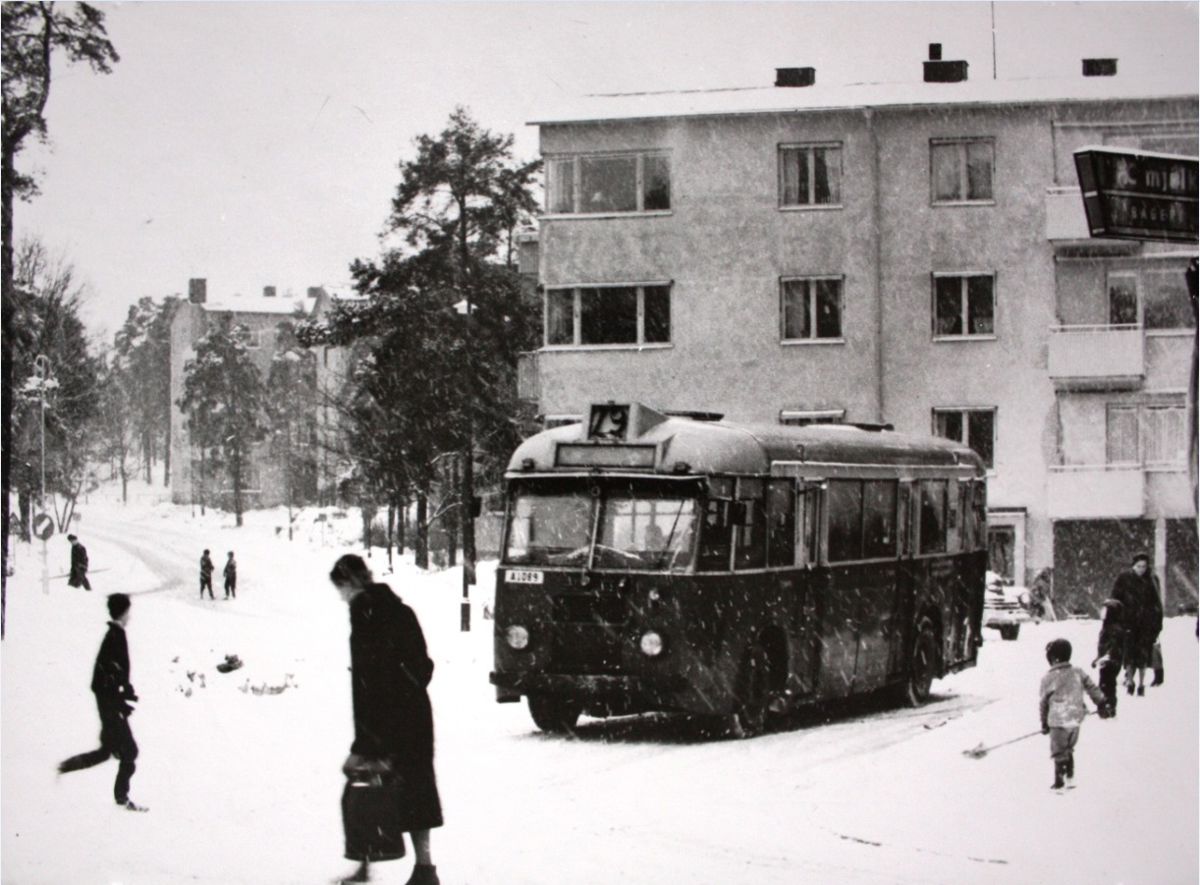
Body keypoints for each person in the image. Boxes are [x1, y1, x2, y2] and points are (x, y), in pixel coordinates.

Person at [330, 554, 442, 885]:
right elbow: (423, 667)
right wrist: (406, 688)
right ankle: (422, 869)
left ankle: (373, 868)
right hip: (410, 718)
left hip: (390, 722)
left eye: (341, 589)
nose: (341, 596)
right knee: (410, 791)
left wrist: (366, 742)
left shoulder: (368, 616)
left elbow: (371, 685)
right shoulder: (397, 611)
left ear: (350, 583)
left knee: (370, 791)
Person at [57, 593, 147, 811]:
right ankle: (121, 801)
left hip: (111, 705)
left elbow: (115, 673)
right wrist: (117, 698)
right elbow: (103, 678)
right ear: (123, 613)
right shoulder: (114, 636)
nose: (130, 616)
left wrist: (125, 690)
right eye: (128, 612)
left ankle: (61, 768)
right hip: (110, 707)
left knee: (106, 752)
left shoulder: (116, 634)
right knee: (130, 752)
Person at [1040, 638, 1110, 791]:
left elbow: (1043, 703)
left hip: (1057, 721)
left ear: (1051, 658)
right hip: (1075, 719)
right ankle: (1070, 776)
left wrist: (1044, 723)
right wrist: (1101, 702)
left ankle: (1059, 780)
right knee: (1069, 748)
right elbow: (1092, 687)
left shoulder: (1048, 678)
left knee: (1059, 751)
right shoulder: (1078, 672)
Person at [1112, 553, 1164, 696]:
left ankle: (1141, 684)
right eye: (1138, 566)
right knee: (1129, 653)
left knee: (1142, 654)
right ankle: (1130, 681)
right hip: (1128, 622)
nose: (1141, 569)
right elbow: (1115, 599)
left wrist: (1156, 622)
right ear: (1133, 566)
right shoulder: (1124, 579)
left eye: (1144, 566)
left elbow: (1156, 603)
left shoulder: (1151, 580)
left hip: (1145, 624)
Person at [1091, 599, 1125, 716]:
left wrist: (1106, 657)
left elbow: (1114, 647)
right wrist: (1098, 658)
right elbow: (1104, 646)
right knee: (1105, 684)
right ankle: (1106, 707)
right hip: (1106, 661)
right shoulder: (1108, 626)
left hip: (1111, 661)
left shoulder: (1115, 628)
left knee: (1108, 684)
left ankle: (1108, 707)